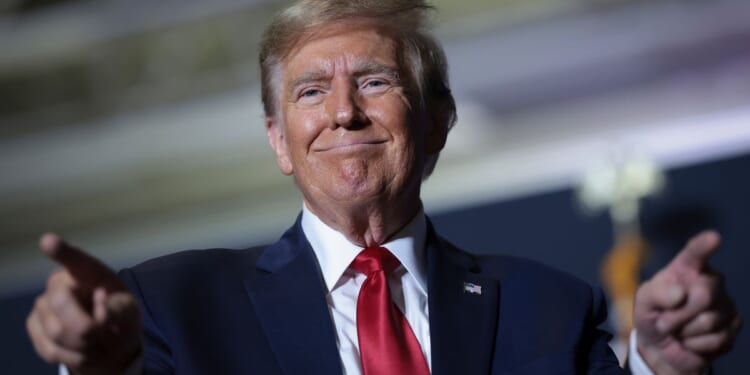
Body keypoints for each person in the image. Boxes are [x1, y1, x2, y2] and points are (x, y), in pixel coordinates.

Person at [26, 1, 741, 374]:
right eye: (311, 90)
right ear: (279, 139)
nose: (343, 110)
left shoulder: (548, 307)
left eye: (374, 80)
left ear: (437, 122)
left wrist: (662, 366)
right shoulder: (177, 304)